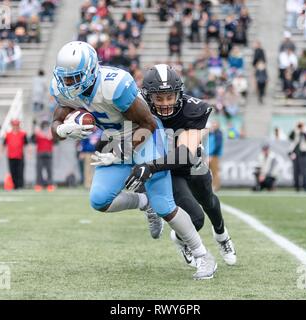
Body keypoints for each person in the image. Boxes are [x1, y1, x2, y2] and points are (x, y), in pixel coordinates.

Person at [50, 41, 217, 280]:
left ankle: (203, 256)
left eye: (73, 78)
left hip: (144, 136)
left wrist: (120, 151)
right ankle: (142, 202)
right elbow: (54, 127)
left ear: (89, 72)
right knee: (99, 200)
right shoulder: (62, 88)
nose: (68, 84)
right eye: (64, 78)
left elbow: (147, 123)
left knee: (164, 206)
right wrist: (64, 131)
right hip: (114, 139)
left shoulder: (114, 85)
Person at [125, 64, 236, 268]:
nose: (165, 103)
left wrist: (149, 167)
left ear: (179, 94)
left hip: (190, 164)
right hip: (167, 170)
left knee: (209, 201)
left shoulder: (193, 108)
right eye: (159, 98)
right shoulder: (138, 108)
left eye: (170, 96)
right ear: (148, 96)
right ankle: (181, 239)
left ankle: (222, 236)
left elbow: (185, 155)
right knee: (196, 219)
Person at [2, 119, 28, 190]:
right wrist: (0, 153)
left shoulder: (23, 134)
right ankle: (14, 186)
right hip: (11, 156)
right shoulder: (8, 134)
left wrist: (29, 153)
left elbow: (26, 144)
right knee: (12, 172)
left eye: (17, 125)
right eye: (14, 125)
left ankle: (20, 186)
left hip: (20, 156)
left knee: (20, 171)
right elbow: (4, 144)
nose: (15, 127)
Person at [289, 120, 306, 192]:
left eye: (301, 124)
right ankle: (297, 187)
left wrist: (303, 131)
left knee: (304, 171)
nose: (300, 126)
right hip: (296, 154)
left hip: (305, 154)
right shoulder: (296, 131)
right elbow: (290, 137)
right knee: (296, 171)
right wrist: (295, 128)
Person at [31, 120, 55, 192]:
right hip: (40, 153)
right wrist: (34, 131)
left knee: (49, 170)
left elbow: (56, 141)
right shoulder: (38, 133)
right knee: (39, 170)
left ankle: (50, 184)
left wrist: (52, 135)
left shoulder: (51, 133)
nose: (45, 127)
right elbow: (33, 140)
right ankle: (39, 184)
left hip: (48, 153)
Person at [206, 120, 223, 192]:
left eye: (214, 124)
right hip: (208, 155)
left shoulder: (218, 133)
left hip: (213, 155)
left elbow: (217, 145)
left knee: (215, 171)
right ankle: (209, 186)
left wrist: (211, 155)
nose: (213, 125)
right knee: (207, 172)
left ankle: (216, 186)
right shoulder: (211, 133)